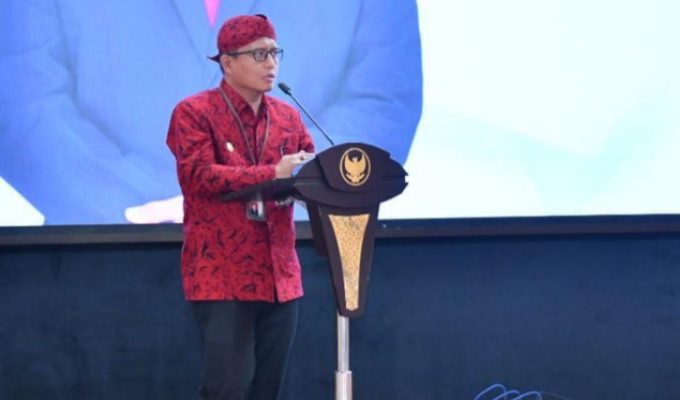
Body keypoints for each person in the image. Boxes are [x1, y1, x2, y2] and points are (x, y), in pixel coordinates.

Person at [0, 0, 422, 225]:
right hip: (99, 265)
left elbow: (381, 101)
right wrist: (130, 207)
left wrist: (268, 199)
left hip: (299, 265)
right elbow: (23, 105)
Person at [166, 15, 314, 399]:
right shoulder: (194, 112)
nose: (271, 63)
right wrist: (272, 173)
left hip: (280, 273)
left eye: (275, 53)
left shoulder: (287, 115)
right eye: (259, 54)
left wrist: (314, 180)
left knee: (269, 390)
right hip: (223, 273)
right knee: (227, 388)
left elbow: (308, 166)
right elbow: (198, 175)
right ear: (227, 62)